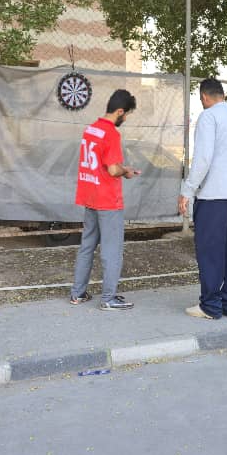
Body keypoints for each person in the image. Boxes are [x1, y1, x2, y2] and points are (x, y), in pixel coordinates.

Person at [178, 78, 227, 319]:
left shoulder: (209, 117)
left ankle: (210, 305)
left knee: (210, 251)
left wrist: (188, 189)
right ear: (224, 95)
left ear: (204, 97)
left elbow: (203, 158)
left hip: (215, 195)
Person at [70, 89, 140, 310]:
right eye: (126, 114)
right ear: (119, 111)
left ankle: (77, 293)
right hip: (108, 200)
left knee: (87, 246)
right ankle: (108, 298)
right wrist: (126, 171)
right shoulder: (111, 133)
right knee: (112, 251)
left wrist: (120, 168)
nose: (125, 118)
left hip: (90, 195)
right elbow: (112, 170)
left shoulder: (91, 129)